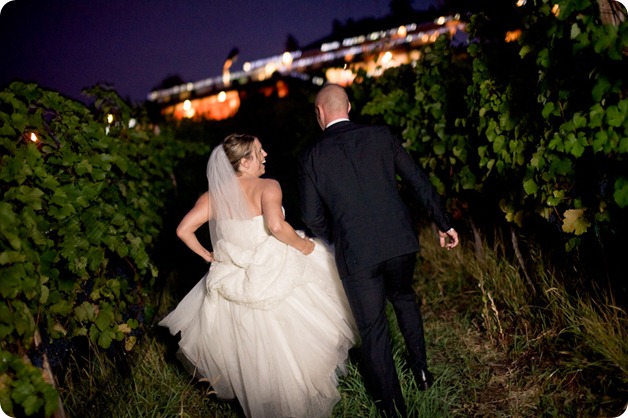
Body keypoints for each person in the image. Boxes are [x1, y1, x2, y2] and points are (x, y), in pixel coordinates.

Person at [159, 133, 356, 418]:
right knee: (294, 337)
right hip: (272, 266)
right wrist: (304, 246)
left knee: (250, 347)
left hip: (233, 275)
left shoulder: (212, 196)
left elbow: (183, 230)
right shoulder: (268, 186)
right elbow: (276, 226)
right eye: (259, 152)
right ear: (245, 161)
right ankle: (301, 399)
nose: (265, 156)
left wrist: (206, 255)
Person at [298, 84, 459, 417]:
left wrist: (341, 237)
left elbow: (311, 217)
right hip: (399, 240)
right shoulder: (381, 135)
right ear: (349, 106)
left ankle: (394, 409)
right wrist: (444, 222)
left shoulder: (310, 157)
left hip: (356, 253)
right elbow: (418, 180)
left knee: (373, 330)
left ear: (319, 113)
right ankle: (423, 373)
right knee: (403, 298)